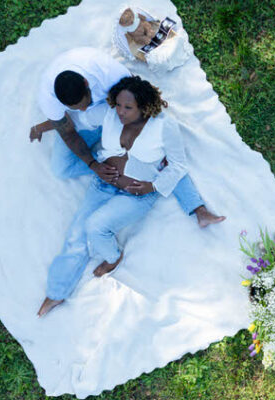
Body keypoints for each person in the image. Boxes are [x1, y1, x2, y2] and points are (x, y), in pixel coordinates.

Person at [38, 76, 225, 317]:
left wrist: (153, 187)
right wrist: (42, 127)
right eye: (118, 105)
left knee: (95, 226)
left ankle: (113, 257)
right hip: (102, 185)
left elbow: (178, 165)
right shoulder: (108, 113)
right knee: (76, 234)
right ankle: (56, 293)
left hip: (136, 195)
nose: (120, 112)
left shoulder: (163, 126)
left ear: (144, 107)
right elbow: (76, 118)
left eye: (128, 107)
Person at [28, 47, 130, 181]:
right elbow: (68, 134)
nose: (83, 109)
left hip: (109, 106)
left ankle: (121, 157)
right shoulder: (48, 99)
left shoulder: (108, 71)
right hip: (81, 119)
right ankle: (110, 161)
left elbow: (137, 96)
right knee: (60, 170)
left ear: (86, 83)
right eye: (77, 107)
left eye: (86, 103)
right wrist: (93, 164)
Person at [113, 7, 192, 71]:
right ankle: (145, 39)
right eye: (127, 21)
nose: (131, 21)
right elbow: (125, 38)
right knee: (139, 38)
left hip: (143, 25)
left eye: (130, 17)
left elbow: (144, 17)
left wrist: (152, 19)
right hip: (137, 35)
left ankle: (149, 32)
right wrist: (128, 51)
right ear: (122, 24)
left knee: (147, 25)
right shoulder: (125, 29)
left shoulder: (136, 15)